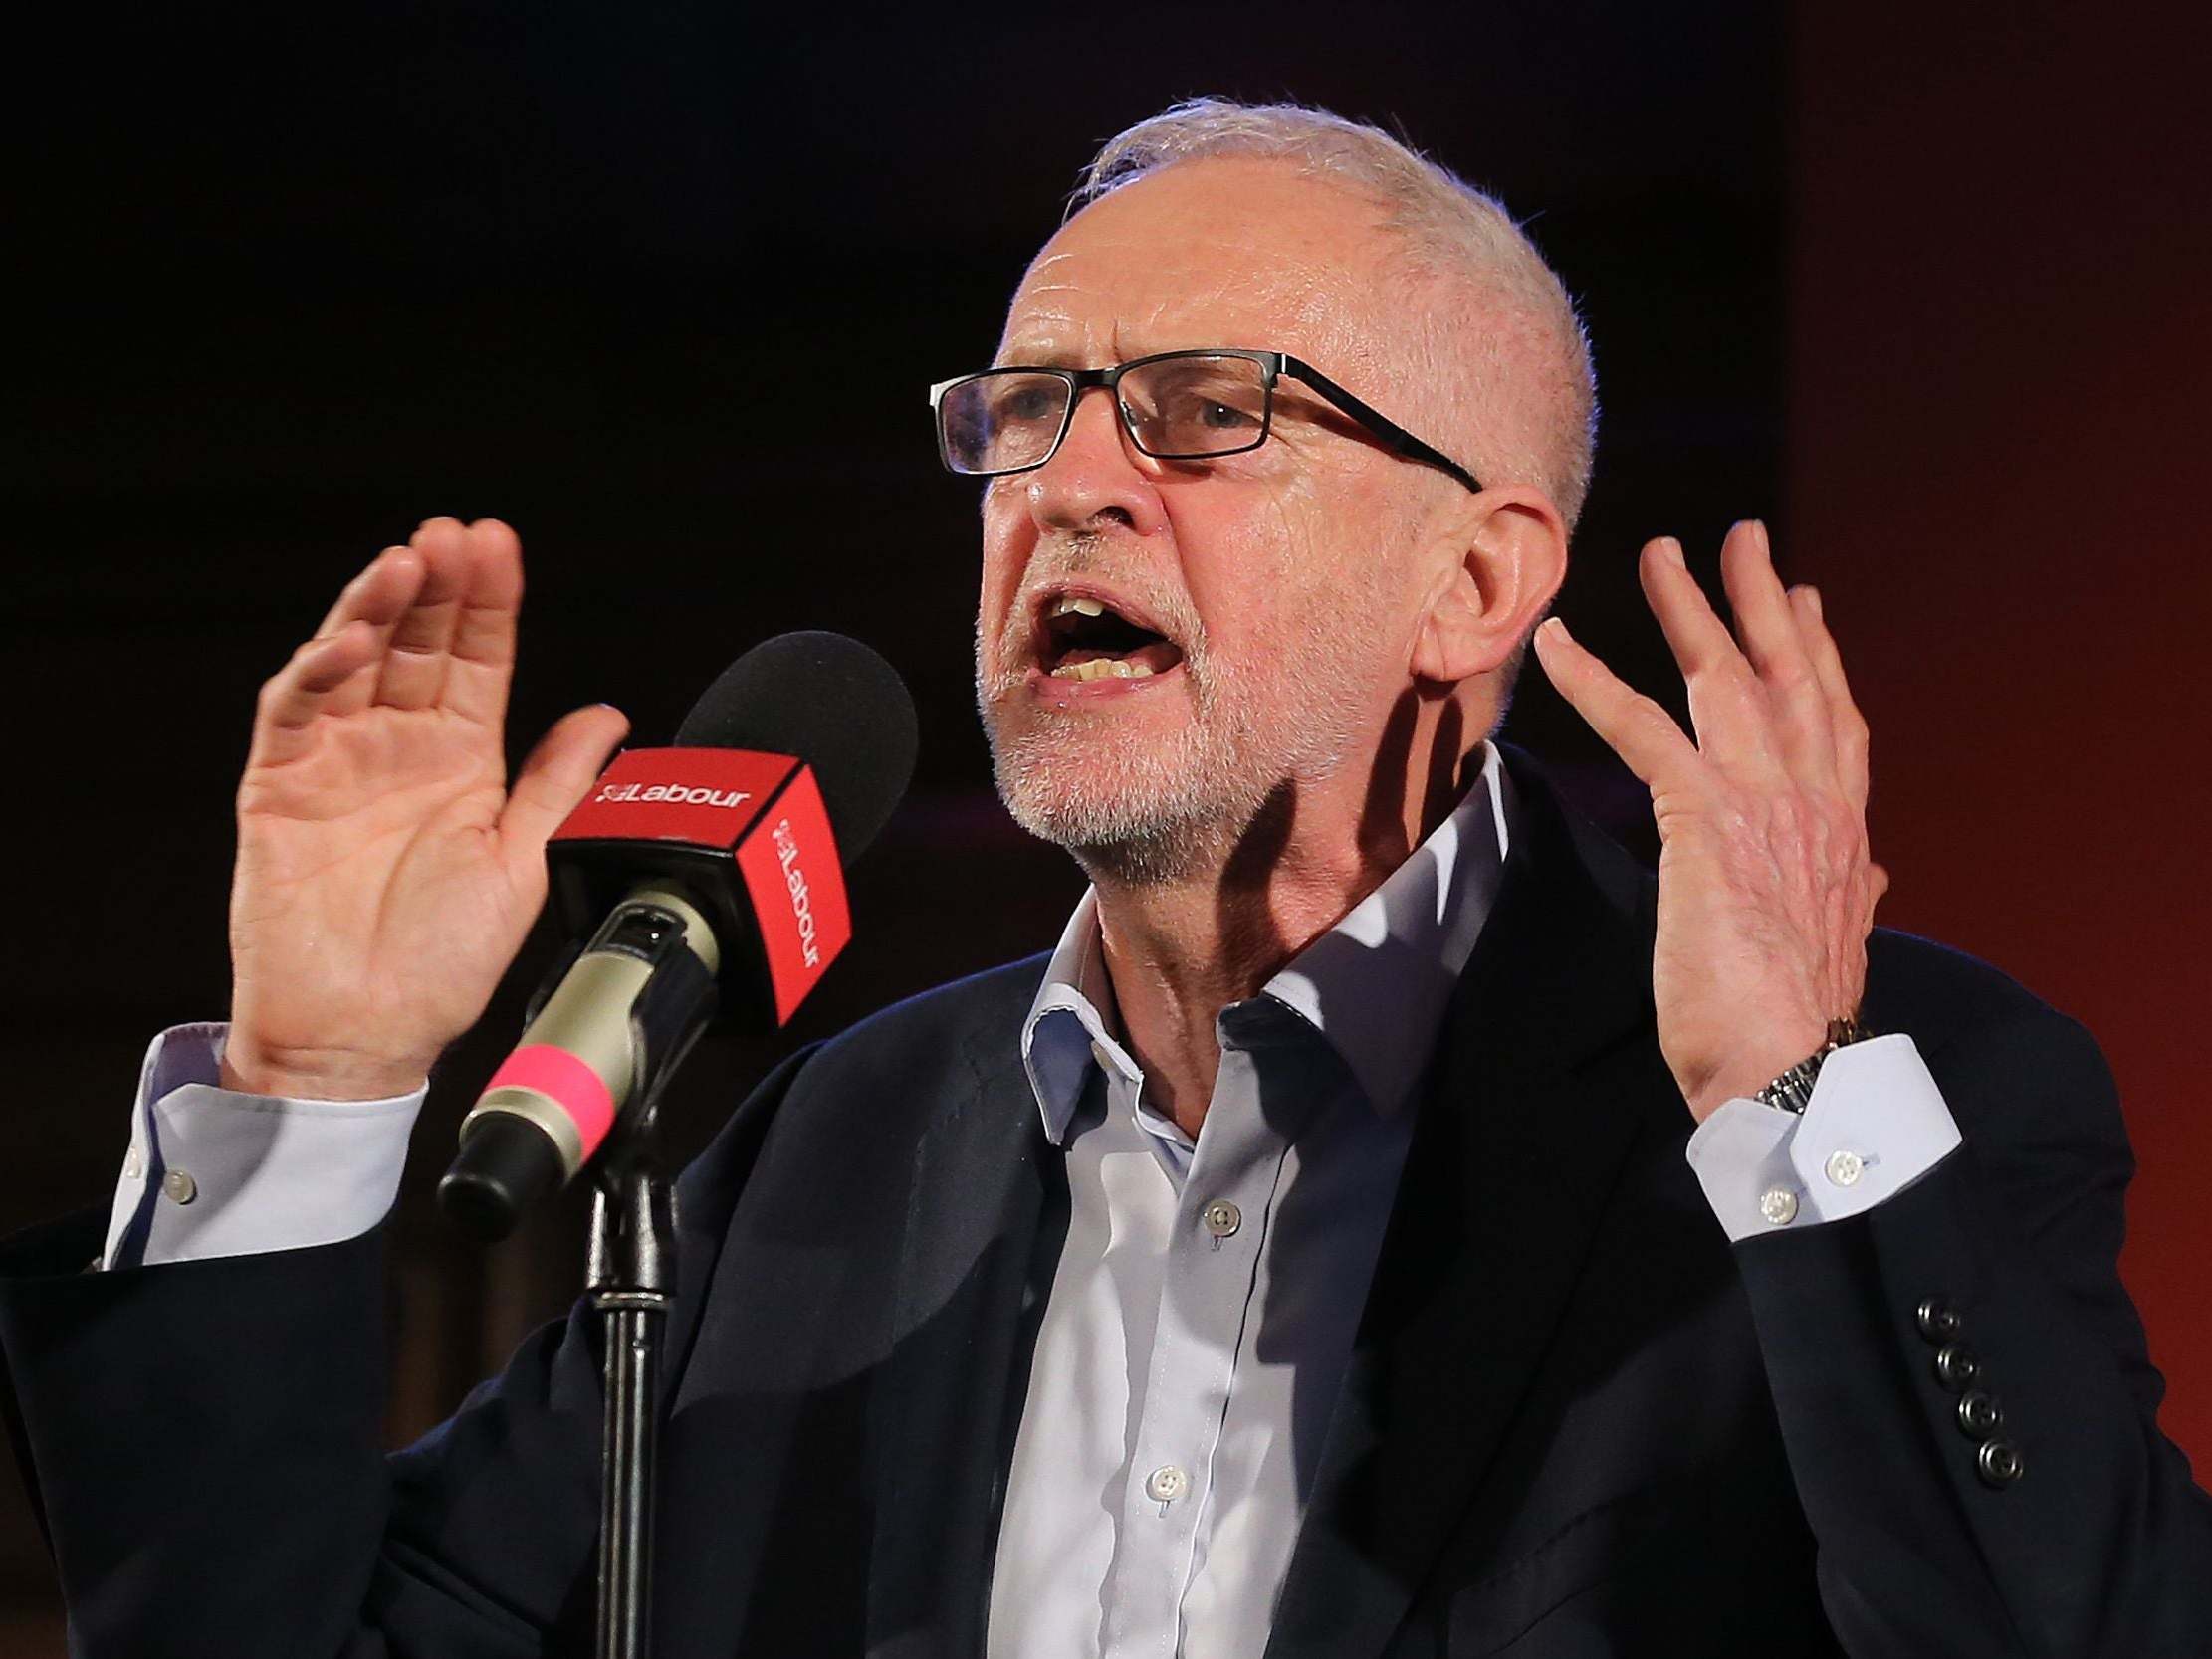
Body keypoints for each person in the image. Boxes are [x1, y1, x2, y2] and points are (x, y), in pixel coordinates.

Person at [2, 98, 2206, 1658]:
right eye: (1026, 410)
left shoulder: (1845, 1119)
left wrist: (1795, 1102)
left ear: (1476, 577)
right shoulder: (830, 1159)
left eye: (1201, 409)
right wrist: (309, 1080)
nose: (1065, 484)